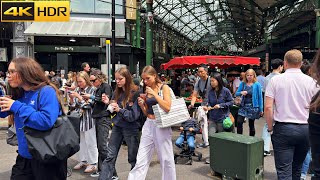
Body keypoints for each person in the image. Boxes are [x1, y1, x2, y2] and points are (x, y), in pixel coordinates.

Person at [0, 57, 67, 179]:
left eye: (12, 71)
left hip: (47, 159)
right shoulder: (20, 94)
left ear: (26, 72)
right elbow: (2, 112)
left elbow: (46, 121)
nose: (8, 75)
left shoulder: (47, 91)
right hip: (24, 158)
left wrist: (16, 106)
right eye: (7, 72)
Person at [265, 49, 318, 180]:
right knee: (297, 168)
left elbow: (268, 107)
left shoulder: (275, 81)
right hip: (305, 129)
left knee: (284, 171)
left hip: (283, 128)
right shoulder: (312, 82)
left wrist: (270, 128)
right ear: (301, 63)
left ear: (285, 63)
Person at [128, 65, 176, 180]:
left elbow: (167, 107)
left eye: (147, 78)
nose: (145, 81)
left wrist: (154, 94)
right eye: (143, 79)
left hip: (161, 125)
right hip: (149, 123)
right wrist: (142, 105)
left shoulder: (164, 88)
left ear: (154, 76)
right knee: (141, 157)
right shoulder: (146, 89)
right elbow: (147, 113)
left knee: (165, 158)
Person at [99, 67, 141, 180]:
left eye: (120, 79)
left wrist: (119, 110)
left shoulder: (135, 92)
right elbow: (113, 107)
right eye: (116, 79)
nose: (117, 81)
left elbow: (133, 116)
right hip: (118, 126)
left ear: (127, 78)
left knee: (133, 158)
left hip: (131, 128)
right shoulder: (117, 91)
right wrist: (108, 103)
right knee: (110, 156)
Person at [81, 68, 113, 177]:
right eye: (92, 81)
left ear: (99, 78)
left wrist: (91, 97)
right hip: (99, 117)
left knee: (103, 147)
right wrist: (89, 101)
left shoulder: (106, 86)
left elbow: (105, 100)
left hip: (103, 118)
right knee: (101, 146)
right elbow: (98, 102)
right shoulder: (99, 88)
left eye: (94, 80)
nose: (93, 83)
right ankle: (102, 170)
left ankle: (111, 172)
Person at [69, 71, 98, 173]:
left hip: (89, 119)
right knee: (81, 142)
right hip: (79, 119)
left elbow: (88, 106)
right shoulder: (77, 89)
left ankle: (93, 162)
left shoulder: (92, 90)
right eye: (78, 81)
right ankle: (83, 160)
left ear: (86, 80)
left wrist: (79, 97)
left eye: (81, 81)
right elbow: (73, 106)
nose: (79, 83)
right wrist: (72, 99)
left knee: (91, 141)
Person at [203, 72, 234, 164]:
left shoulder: (225, 91)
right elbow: (208, 102)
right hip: (212, 118)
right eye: (211, 81)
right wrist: (207, 106)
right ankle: (212, 156)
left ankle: (222, 156)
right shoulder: (210, 92)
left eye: (213, 81)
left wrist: (220, 105)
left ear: (218, 81)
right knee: (211, 138)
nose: (211, 83)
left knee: (221, 139)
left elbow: (231, 102)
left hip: (222, 118)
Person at [262, 58, 283, 157]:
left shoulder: (266, 78)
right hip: (279, 107)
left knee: (267, 126)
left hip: (269, 105)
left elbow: (266, 93)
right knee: (279, 127)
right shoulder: (282, 78)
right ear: (280, 67)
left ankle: (265, 148)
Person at [235, 69, 263, 136]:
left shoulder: (257, 85)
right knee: (239, 122)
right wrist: (241, 92)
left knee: (251, 124)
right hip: (243, 106)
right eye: (248, 75)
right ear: (245, 76)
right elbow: (236, 93)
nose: (249, 77)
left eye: (251, 75)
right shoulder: (243, 83)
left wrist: (261, 109)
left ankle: (251, 139)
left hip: (253, 106)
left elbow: (260, 97)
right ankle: (239, 137)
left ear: (254, 76)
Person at [189, 65, 212, 148]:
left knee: (212, 124)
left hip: (212, 105)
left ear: (206, 72)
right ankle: (206, 142)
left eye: (201, 71)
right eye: (198, 71)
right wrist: (192, 104)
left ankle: (210, 141)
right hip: (203, 105)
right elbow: (194, 95)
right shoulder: (198, 81)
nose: (199, 73)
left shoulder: (211, 80)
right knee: (202, 123)